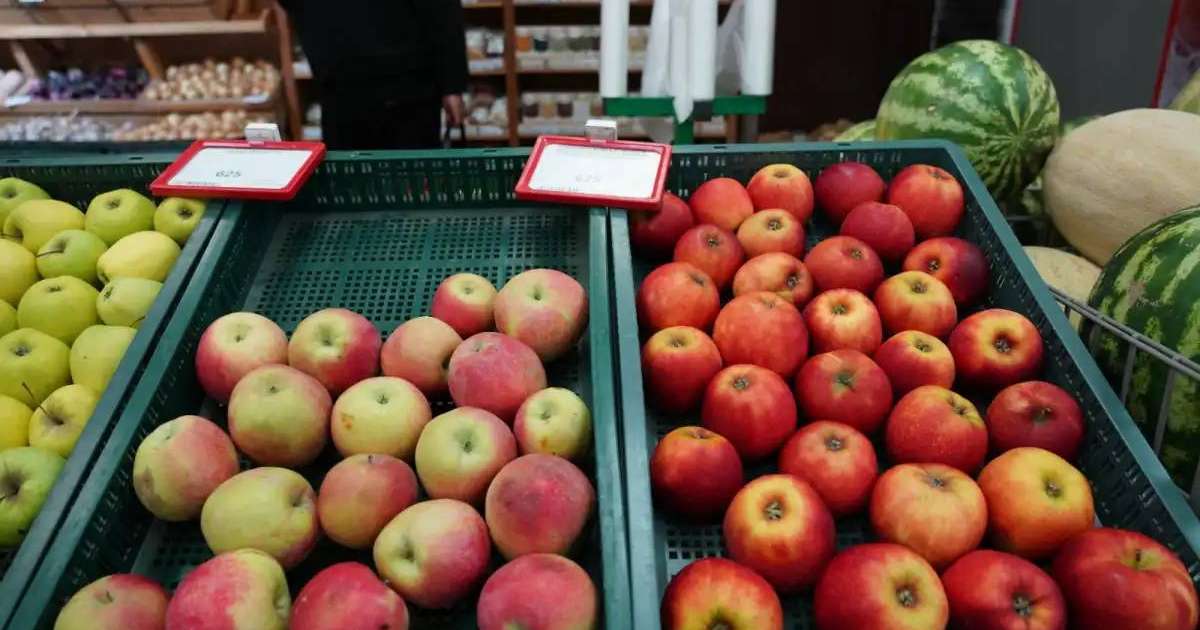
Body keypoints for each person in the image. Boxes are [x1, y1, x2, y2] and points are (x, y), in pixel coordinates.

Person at [277, 0, 468, 149]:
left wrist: (452, 82)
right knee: (350, 182)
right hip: (340, 85)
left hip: (409, 85)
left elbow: (443, 9)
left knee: (412, 180)